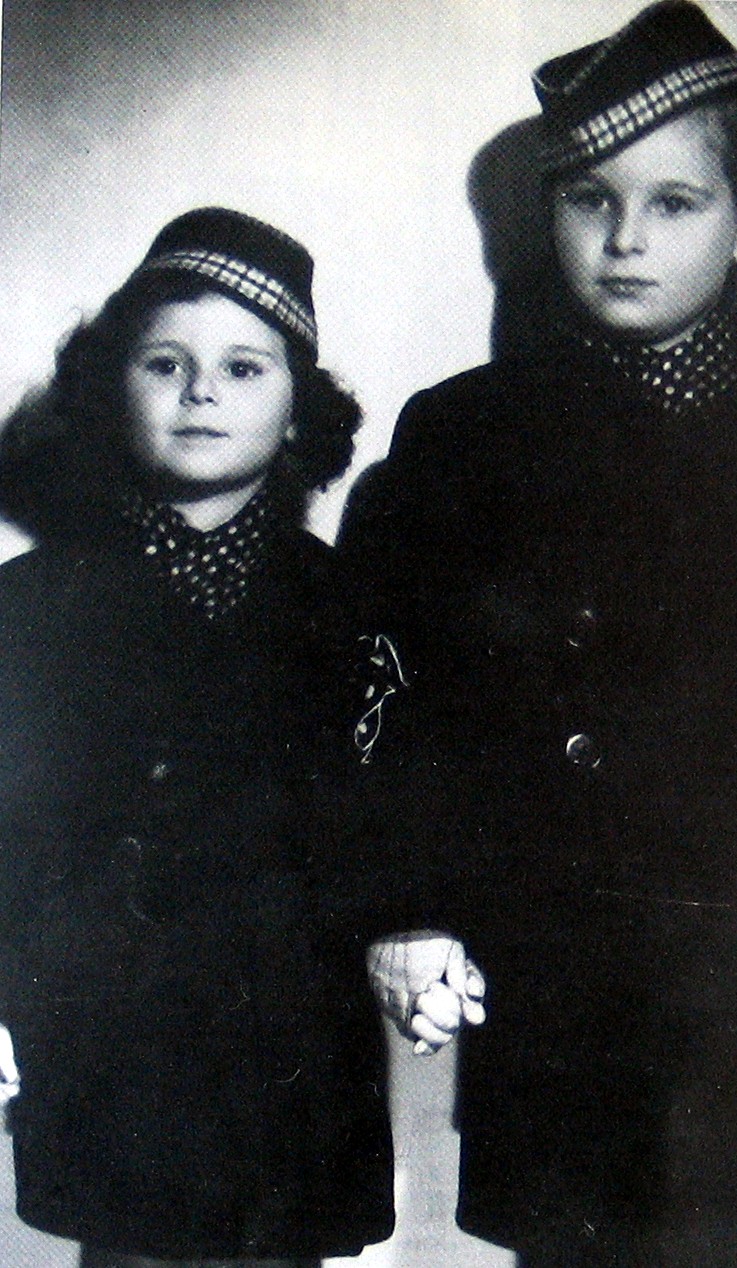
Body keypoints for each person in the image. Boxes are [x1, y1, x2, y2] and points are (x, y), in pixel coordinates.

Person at [341, 4, 737, 1265]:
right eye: (591, 199)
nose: (623, 239)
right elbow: (390, 701)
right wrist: (406, 904)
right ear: (547, 214)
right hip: (547, 961)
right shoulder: (463, 436)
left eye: (674, 203)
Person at [0, 207, 406, 1268]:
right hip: (108, 1043)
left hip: (295, 1044)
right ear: (107, 390)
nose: (202, 391)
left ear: (298, 409)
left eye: (243, 365)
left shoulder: (347, 608)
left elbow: (391, 810)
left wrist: (420, 922)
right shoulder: (31, 607)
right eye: (166, 361)